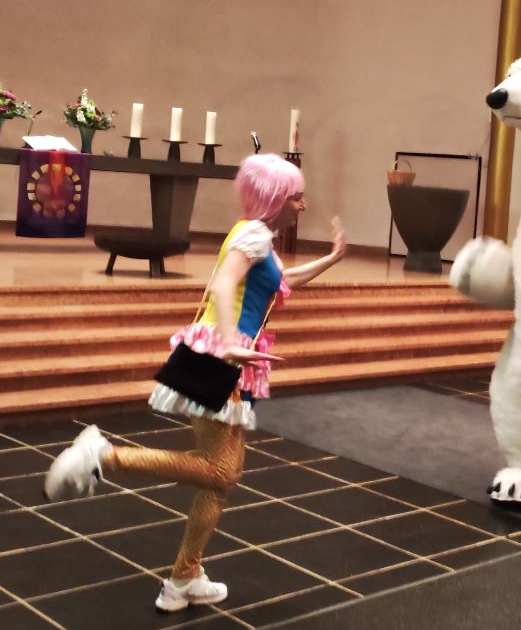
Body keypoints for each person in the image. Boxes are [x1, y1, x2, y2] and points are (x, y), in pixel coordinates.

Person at [43, 154, 346, 612]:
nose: (302, 206)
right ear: (275, 198)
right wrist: (229, 342)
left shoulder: (257, 236)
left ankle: (184, 577)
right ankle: (104, 456)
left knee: (221, 479)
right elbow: (223, 285)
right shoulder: (252, 235)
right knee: (221, 472)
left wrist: (332, 258)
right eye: (296, 197)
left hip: (228, 357)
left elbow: (282, 281)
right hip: (219, 358)